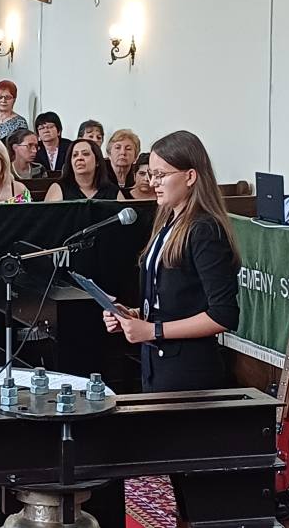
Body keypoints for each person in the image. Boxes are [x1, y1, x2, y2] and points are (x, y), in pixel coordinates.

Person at [102, 129, 240, 402]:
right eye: (151, 174)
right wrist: (134, 316)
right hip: (157, 365)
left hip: (189, 372)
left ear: (190, 176)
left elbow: (223, 315)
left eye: (161, 175)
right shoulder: (167, 222)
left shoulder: (204, 230)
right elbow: (174, 300)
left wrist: (153, 330)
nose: (153, 182)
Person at [44, 138, 119, 201]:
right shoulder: (58, 188)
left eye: (85, 154)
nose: (79, 158)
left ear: (97, 161)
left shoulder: (112, 191)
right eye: (75, 155)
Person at [106, 129, 141, 193]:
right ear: (109, 153)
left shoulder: (139, 174)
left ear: (135, 156)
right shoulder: (99, 174)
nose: (123, 152)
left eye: (128, 149)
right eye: (117, 148)